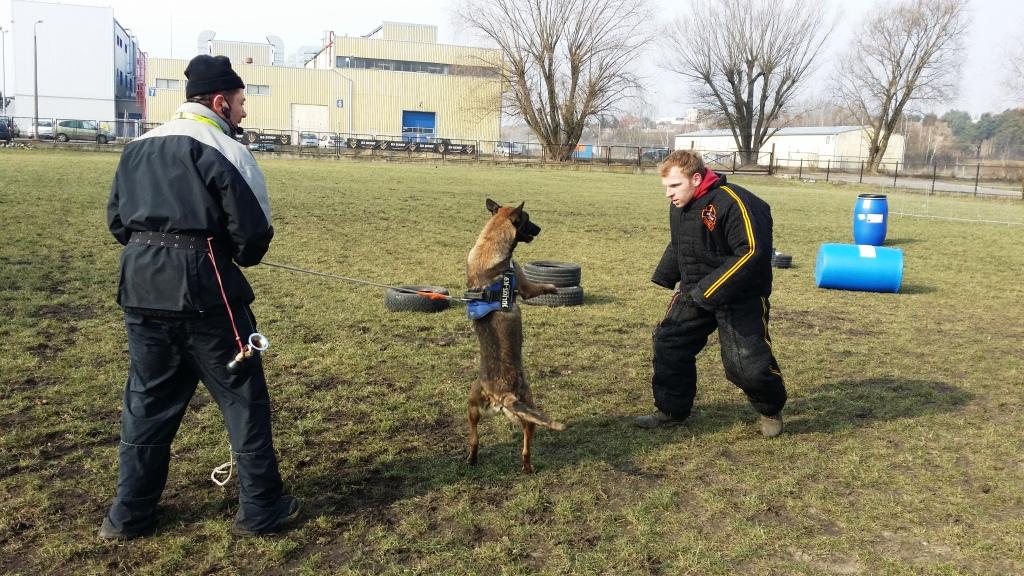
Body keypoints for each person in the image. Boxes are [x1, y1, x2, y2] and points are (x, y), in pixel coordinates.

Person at [101, 54, 299, 539]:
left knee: (146, 403)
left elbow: (116, 223)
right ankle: (261, 509)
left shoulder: (136, 147)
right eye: (240, 102)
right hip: (208, 297)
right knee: (243, 398)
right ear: (219, 102)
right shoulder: (225, 149)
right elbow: (252, 239)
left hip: (141, 289)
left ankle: (128, 516)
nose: (244, 112)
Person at [635, 150, 787, 437]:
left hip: (740, 294)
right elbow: (681, 242)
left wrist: (709, 291)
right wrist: (666, 275)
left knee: (744, 364)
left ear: (696, 177)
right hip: (696, 290)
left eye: (674, 186)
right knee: (670, 342)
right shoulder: (681, 205)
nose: (668, 194)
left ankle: (770, 408)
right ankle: (672, 410)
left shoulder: (735, 203)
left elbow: (751, 253)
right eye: (665, 187)